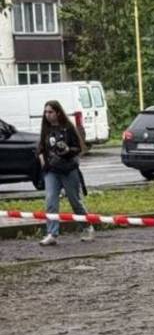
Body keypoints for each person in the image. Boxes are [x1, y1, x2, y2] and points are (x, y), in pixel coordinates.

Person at [37, 100, 93, 246]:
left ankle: (87, 227)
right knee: (50, 201)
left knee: (75, 201)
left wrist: (67, 150)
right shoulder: (46, 128)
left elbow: (78, 148)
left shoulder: (68, 127)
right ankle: (52, 234)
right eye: (46, 112)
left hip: (68, 170)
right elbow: (41, 147)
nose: (47, 115)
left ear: (58, 112)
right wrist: (42, 159)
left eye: (50, 112)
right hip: (51, 171)